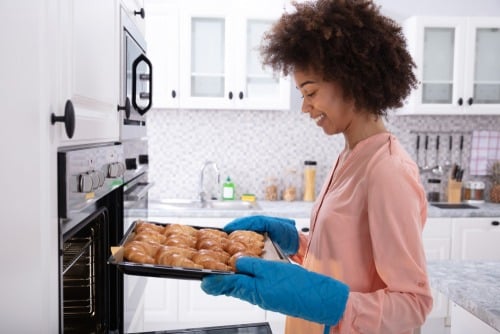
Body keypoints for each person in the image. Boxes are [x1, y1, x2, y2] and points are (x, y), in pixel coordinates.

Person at [201, 0, 433, 333]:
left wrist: (331, 303)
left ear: (352, 79)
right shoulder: (349, 156)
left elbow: (413, 304)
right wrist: (296, 243)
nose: (305, 107)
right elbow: (350, 257)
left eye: (310, 92)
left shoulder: (388, 172)